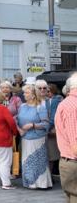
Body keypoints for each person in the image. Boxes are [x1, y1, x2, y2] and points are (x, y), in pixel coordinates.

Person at [17, 84, 52, 189]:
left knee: (38, 161)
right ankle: (30, 183)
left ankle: (42, 184)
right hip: (25, 138)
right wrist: (20, 130)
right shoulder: (22, 106)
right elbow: (16, 120)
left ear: (33, 95)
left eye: (26, 93)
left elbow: (46, 124)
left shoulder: (40, 107)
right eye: (24, 92)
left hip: (37, 138)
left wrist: (32, 125)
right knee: (26, 161)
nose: (24, 94)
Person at [55, 73, 77, 202]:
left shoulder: (68, 103)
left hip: (69, 161)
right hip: (73, 162)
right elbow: (75, 143)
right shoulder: (73, 106)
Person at [46, 83, 63, 173]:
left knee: (51, 154)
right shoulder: (47, 100)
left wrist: (46, 128)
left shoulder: (56, 100)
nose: (46, 92)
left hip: (51, 130)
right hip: (49, 129)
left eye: (48, 91)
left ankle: (50, 174)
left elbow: (53, 117)